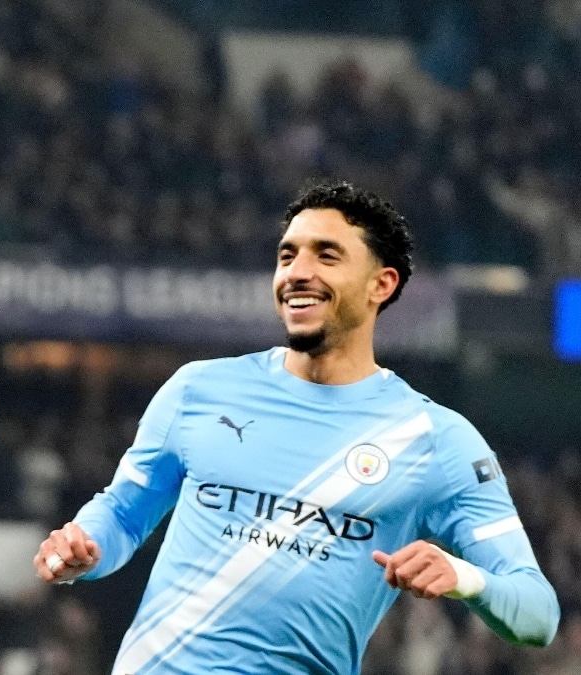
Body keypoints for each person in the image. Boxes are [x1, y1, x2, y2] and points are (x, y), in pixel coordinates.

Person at [33, 181, 559, 674]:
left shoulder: (436, 440)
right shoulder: (199, 389)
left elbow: (538, 615)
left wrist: (465, 578)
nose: (297, 272)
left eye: (326, 255)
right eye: (287, 255)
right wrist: (85, 548)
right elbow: (122, 515)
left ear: (381, 283)